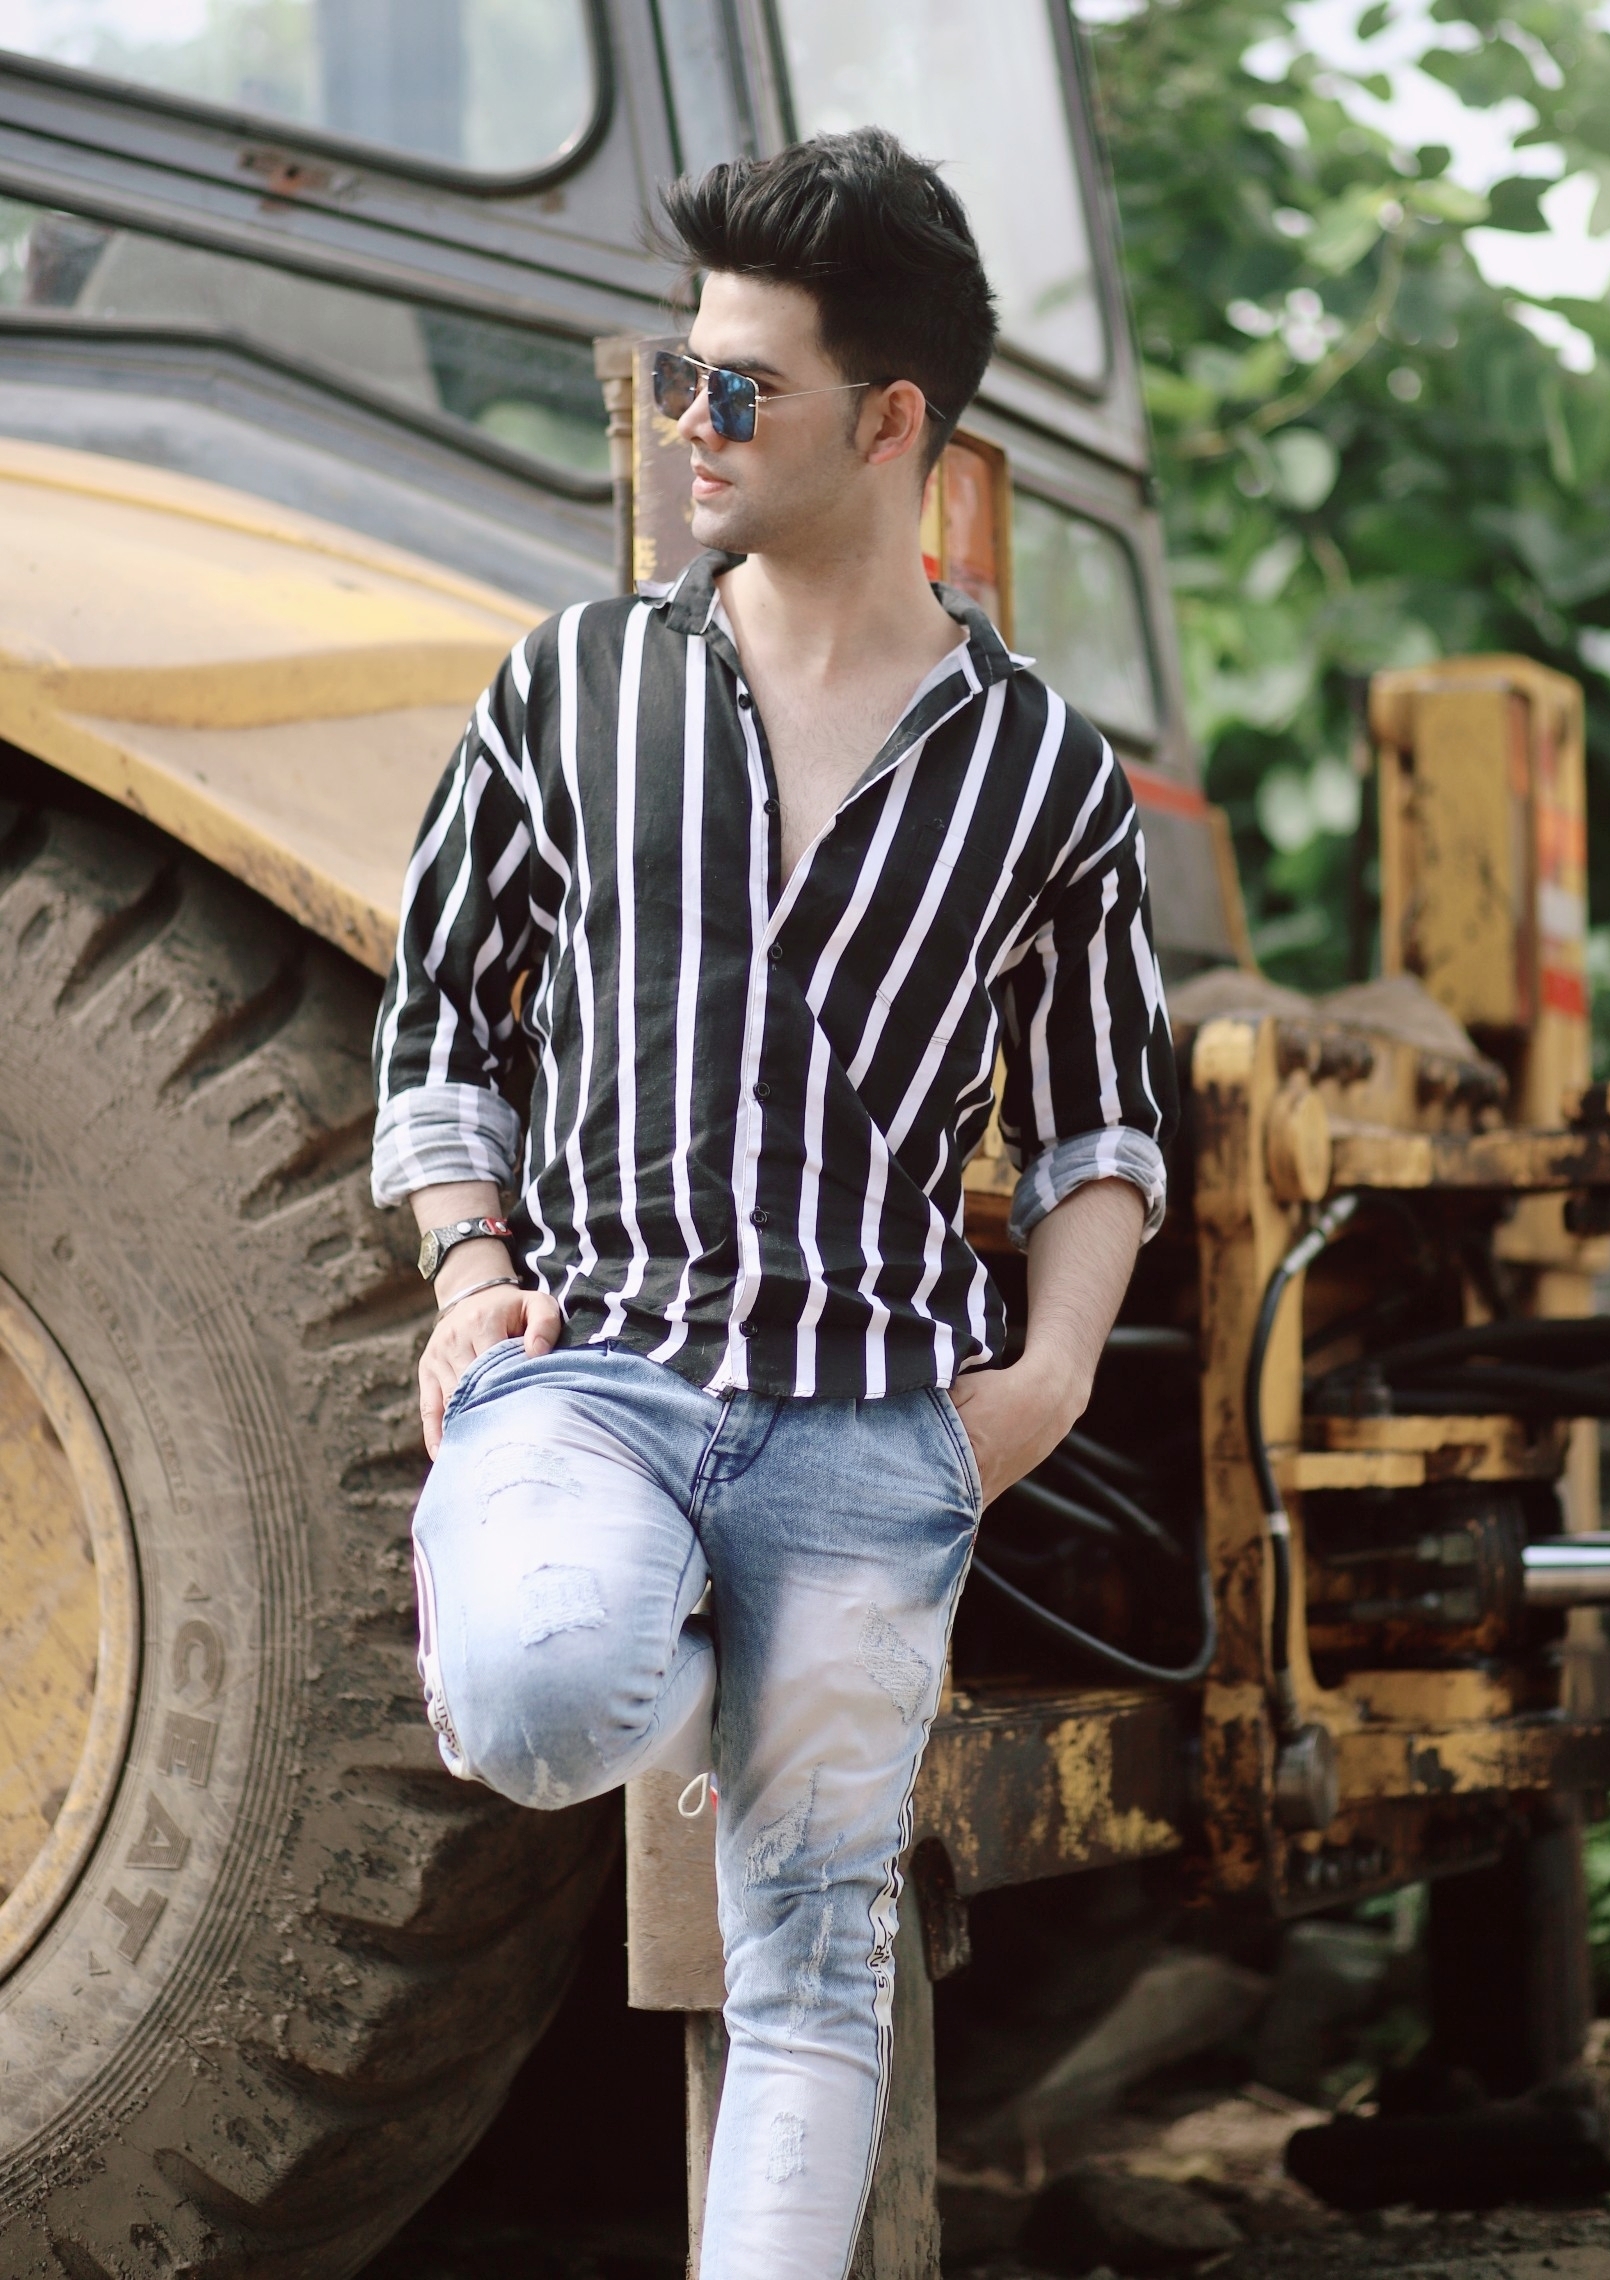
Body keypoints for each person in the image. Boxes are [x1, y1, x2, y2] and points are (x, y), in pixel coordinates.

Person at [371, 126, 1177, 2279]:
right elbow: (438, 1016)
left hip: (871, 1429)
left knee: (814, 1968)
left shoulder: (1038, 772)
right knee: (539, 1697)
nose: (686, 422)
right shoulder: (570, 686)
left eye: (738, 386)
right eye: (677, 372)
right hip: (600, 1375)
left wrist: (1047, 1380)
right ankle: (662, 1628)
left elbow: (1104, 1124)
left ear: (890, 422)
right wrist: (467, 1267)